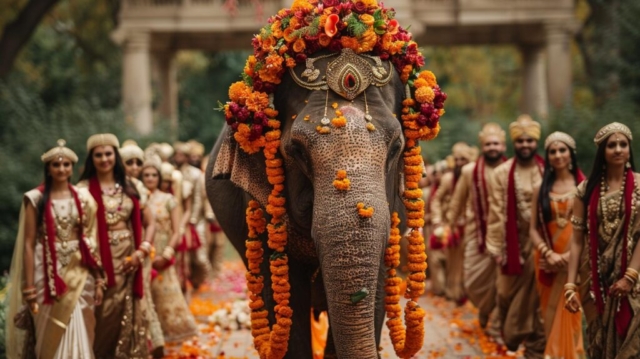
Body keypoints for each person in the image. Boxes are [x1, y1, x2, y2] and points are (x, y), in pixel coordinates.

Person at [6, 140, 103, 359]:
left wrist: (98, 279)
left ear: (72, 168)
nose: (62, 169)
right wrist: (29, 288)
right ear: (48, 169)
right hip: (45, 271)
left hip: (79, 269)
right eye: (56, 165)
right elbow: (29, 245)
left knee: (81, 320)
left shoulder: (84, 197)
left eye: (66, 165)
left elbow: (90, 241)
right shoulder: (36, 199)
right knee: (48, 328)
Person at [565, 122, 640, 358]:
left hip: (636, 276)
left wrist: (630, 276)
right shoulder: (585, 190)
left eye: (623, 144)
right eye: (611, 145)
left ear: (629, 149)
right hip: (596, 279)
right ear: (602, 152)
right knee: (599, 340)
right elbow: (577, 241)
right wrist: (570, 286)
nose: (618, 149)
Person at [78, 134, 155, 359]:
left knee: (127, 309)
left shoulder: (131, 187)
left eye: (108, 154)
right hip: (95, 258)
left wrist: (142, 251)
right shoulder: (82, 190)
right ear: (91, 159)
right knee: (102, 312)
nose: (104, 159)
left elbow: (150, 223)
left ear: (116, 156)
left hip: (129, 257)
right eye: (98, 155)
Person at [486, 114, 546, 357]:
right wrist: (498, 249)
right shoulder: (501, 172)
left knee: (538, 303)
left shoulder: (547, 170)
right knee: (504, 294)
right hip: (512, 244)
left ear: (536, 143)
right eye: (520, 141)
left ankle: (535, 349)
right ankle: (511, 336)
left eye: (529, 141)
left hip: (542, 246)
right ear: (513, 144)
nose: (525, 145)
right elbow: (497, 212)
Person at [530, 132, 586, 358]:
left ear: (571, 155)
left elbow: (590, 226)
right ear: (548, 156)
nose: (557, 155)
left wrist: (569, 255)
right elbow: (532, 228)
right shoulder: (540, 188)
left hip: (576, 257)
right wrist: (549, 254)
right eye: (552, 151)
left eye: (562, 150)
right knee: (550, 313)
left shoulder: (584, 185)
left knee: (572, 312)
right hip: (546, 259)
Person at [447, 123, 507, 329]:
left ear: (504, 146)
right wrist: (449, 225)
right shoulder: (469, 171)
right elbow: (457, 201)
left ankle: (497, 321)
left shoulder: (510, 169)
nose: (492, 148)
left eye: (496, 144)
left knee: (503, 282)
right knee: (472, 281)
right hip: (476, 234)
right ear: (482, 146)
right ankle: (484, 307)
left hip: (506, 234)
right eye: (488, 144)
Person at [141, 157, 198, 342]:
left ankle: (168, 335)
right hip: (142, 255)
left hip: (162, 254)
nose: (150, 179)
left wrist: (166, 254)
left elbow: (176, 231)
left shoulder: (169, 200)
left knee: (167, 297)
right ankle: (149, 338)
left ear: (159, 177)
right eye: (146, 175)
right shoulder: (137, 198)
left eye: (153, 175)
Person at [121, 141, 165, 355]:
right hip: (118, 252)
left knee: (141, 295)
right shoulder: (112, 186)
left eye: (138, 162)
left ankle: (149, 343)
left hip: (141, 251)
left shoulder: (139, 189)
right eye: (130, 162)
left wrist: (144, 248)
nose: (135, 167)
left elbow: (151, 222)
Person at [431, 142, 474, 304]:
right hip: (452, 226)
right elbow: (436, 200)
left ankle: (464, 293)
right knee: (452, 261)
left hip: (469, 225)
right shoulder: (449, 179)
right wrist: (437, 221)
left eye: (463, 160)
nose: (459, 163)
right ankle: (452, 292)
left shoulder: (472, 176)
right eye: (457, 160)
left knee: (466, 261)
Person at [174, 141, 212, 289]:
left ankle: (202, 280)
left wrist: (193, 219)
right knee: (183, 255)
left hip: (196, 220)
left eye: (182, 155)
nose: (178, 157)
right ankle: (187, 284)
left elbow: (197, 199)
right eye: (176, 154)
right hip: (177, 219)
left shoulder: (195, 174)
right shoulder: (171, 173)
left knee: (199, 256)